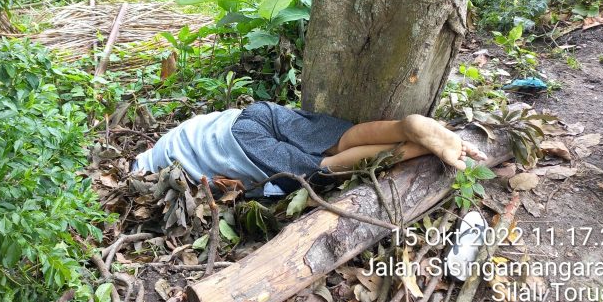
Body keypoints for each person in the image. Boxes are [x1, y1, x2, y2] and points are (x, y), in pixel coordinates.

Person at [133, 102, 486, 197]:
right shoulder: (169, 139)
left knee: (325, 166)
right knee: (337, 138)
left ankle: (416, 148)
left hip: (239, 147)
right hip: (251, 116)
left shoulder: (151, 170)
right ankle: (403, 126)